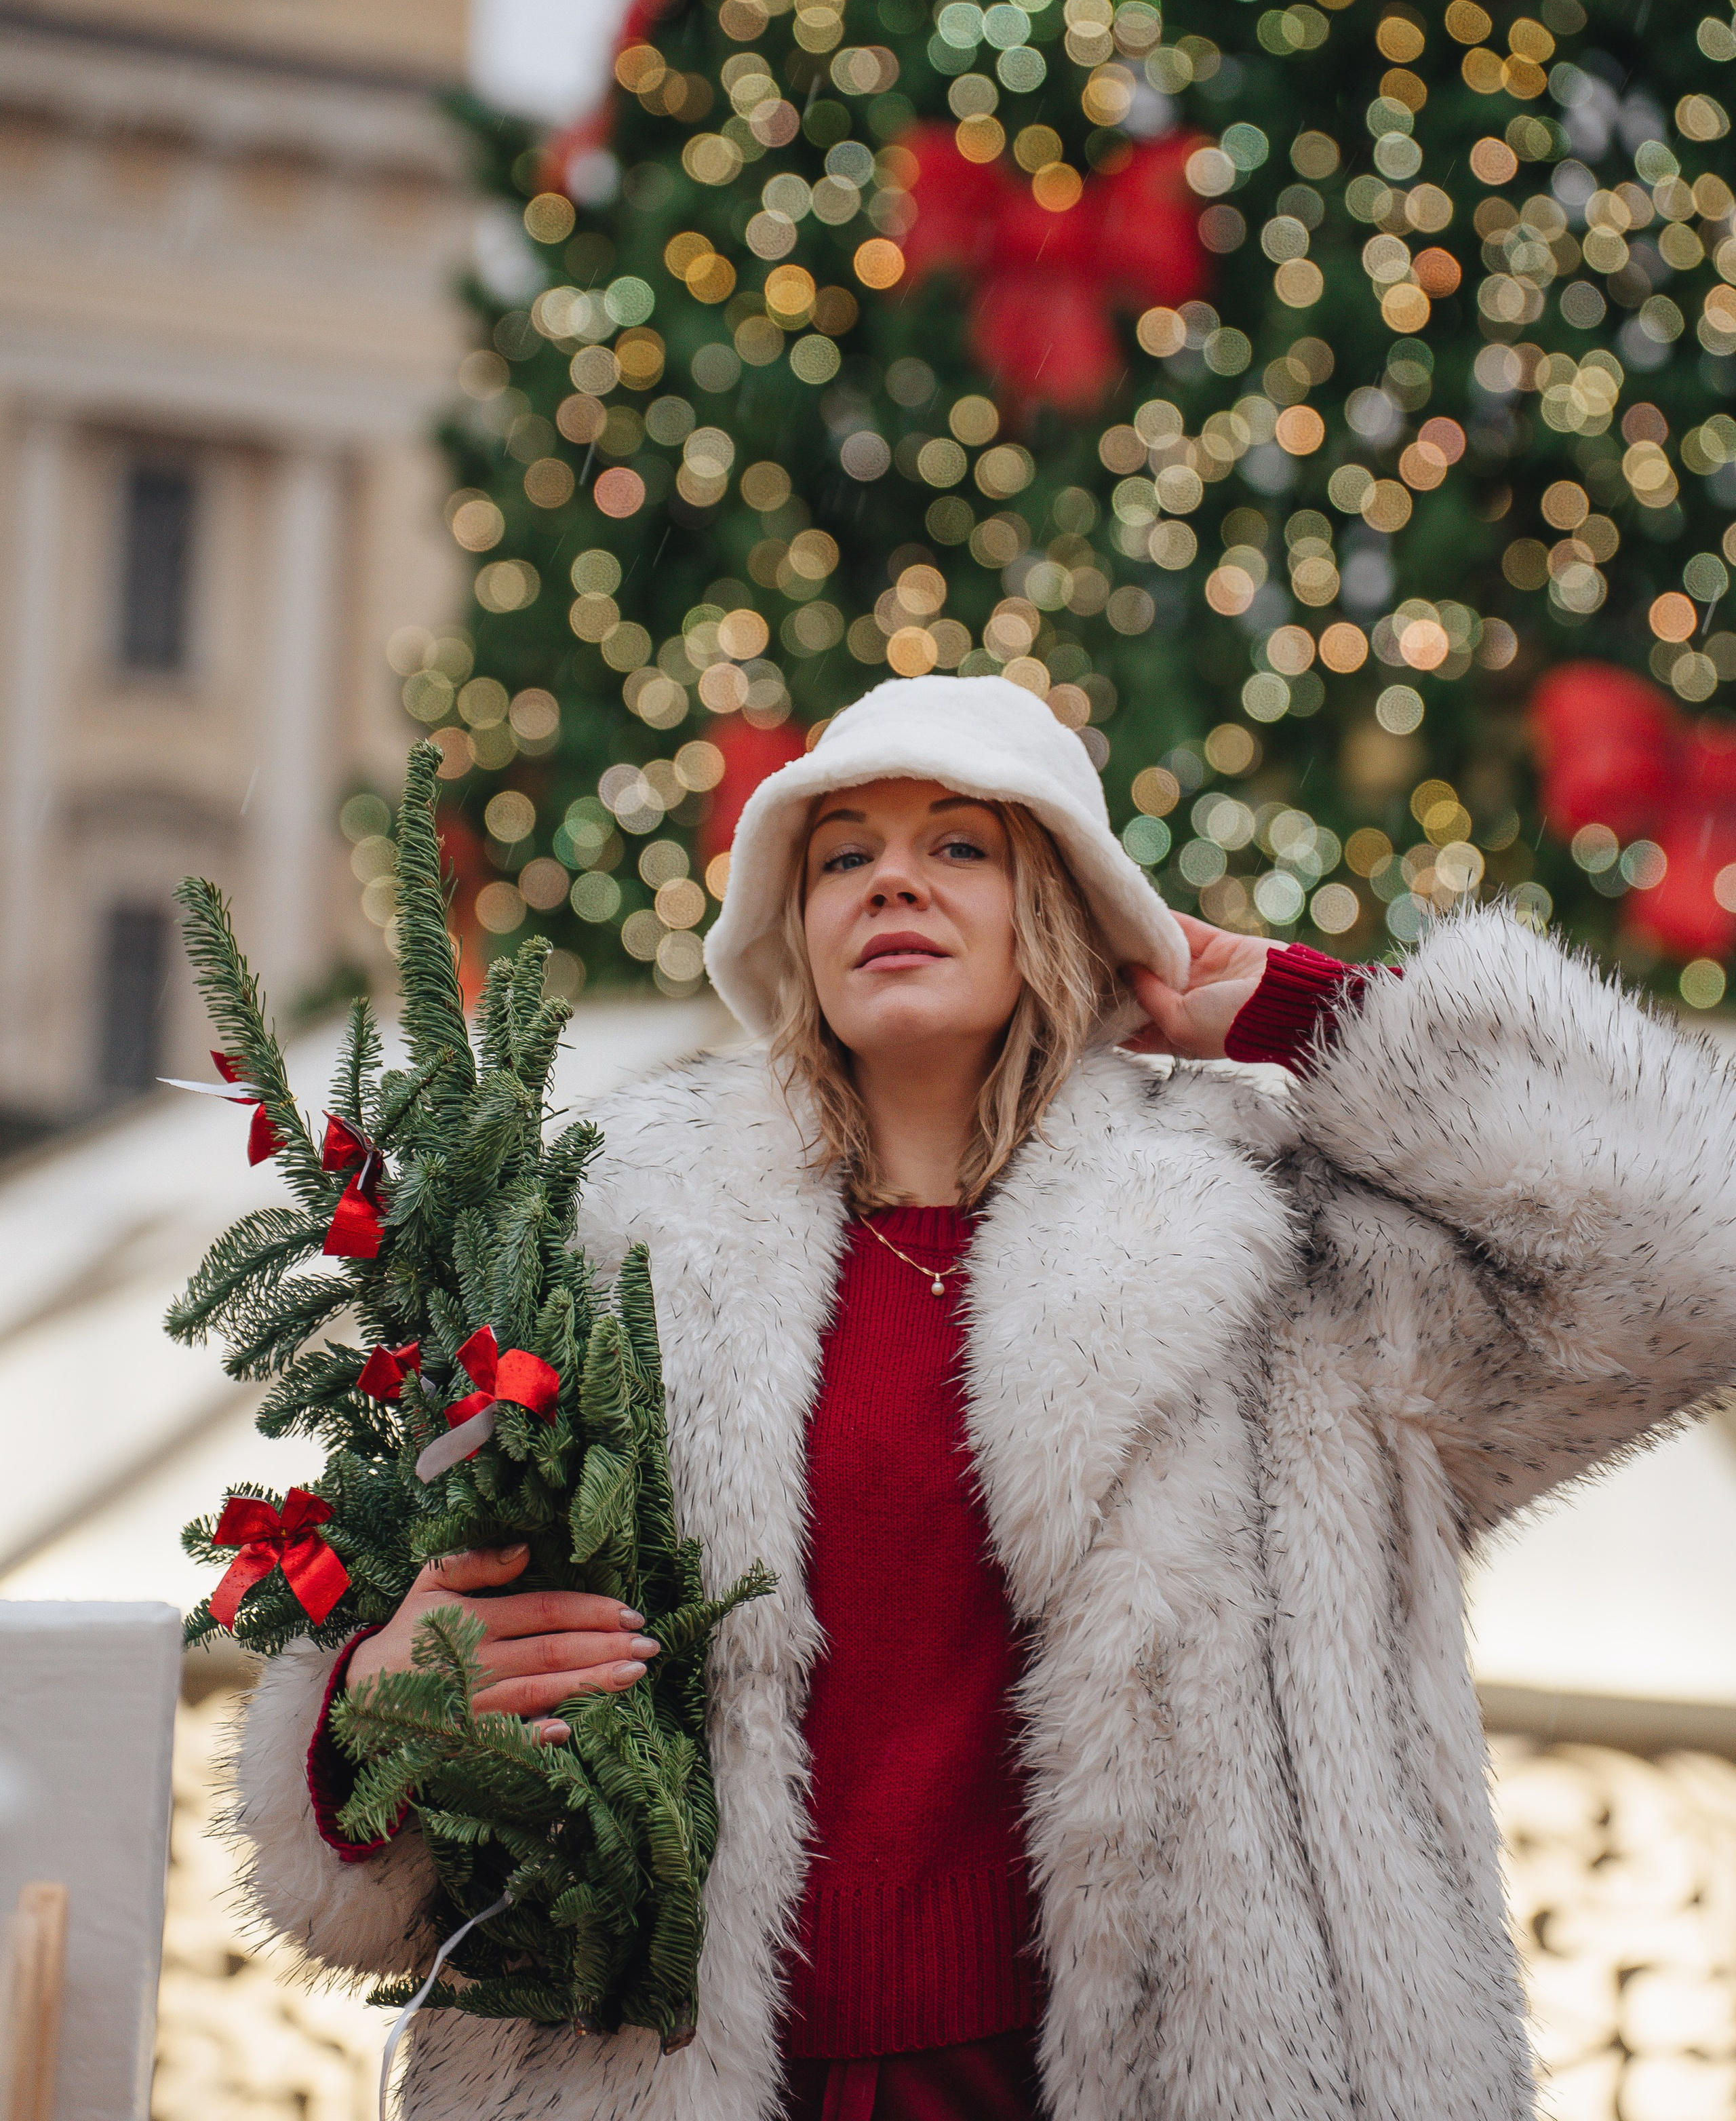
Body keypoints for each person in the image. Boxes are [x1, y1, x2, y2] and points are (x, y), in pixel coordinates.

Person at [234, 674, 1736, 2121]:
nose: (893, 881)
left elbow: (1687, 1257)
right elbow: (397, 1653)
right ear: (792, 928)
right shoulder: (605, 1247)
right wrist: (371, 1707)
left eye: (959, 846)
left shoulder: (1284, 1252)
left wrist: (1307, 1014)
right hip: (670, 2071)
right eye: (843, 858)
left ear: (1061, 910)